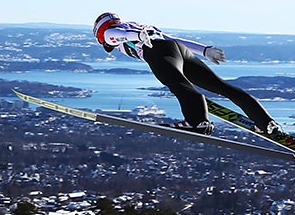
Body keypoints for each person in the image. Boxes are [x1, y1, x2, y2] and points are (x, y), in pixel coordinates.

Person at [92, 12, 280, 136]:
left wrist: (137, 37)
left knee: (178, 84)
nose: (108, 44)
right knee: (221, 86)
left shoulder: (112, 33)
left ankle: (197, 121)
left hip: (156, 51)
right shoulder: (138, 26)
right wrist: (205, 50)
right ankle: (266, 123)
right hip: (178, 49)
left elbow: (116, 35)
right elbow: (174, 39)